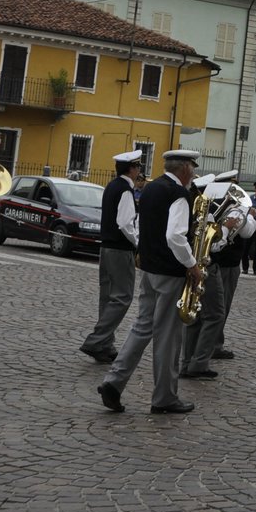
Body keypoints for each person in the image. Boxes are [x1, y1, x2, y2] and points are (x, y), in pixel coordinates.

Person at [97, 150, 203, 414]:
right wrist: (192, 265)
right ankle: (165, 397)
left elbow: (140, 228)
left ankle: (114, 380)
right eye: (192, 167)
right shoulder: (179, 194)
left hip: (150, 270)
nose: (193, 173)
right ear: (186, 169)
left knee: (141, 327)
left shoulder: (151, 188)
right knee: (168, 337)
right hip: (170, 272)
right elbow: (175, 237)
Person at [181, 170, 255, 377]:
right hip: (206, 266)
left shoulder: (190, 209)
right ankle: (199, 363)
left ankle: (189, 362)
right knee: (214, 315)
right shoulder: (208, 213)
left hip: (194, 265)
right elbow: (214, 246)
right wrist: (225, 230)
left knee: (195, 314)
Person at [79, 150, 143, 363]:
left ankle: (105, 344)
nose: (139, 171)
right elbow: (125, 223)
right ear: (132, 168)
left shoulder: (111, 186)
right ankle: (97, 341)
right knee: (122, 297)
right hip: (120, 249)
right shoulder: (125, 190)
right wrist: (137, 243)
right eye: (138, 167)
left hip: (106, 247)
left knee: (107, 297)